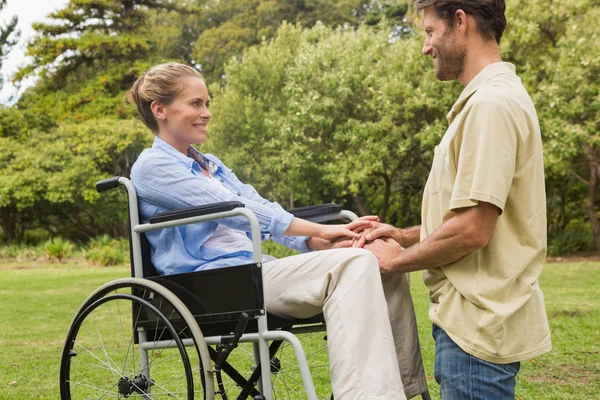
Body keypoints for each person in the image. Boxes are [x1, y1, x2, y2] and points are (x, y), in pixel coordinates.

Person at [125, 62, 427, 400]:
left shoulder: (210, 164)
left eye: (207, 103)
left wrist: (327, 238)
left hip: (253, 272)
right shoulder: (153, 168)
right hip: (207, 283)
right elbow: (240, 212)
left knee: (381, 260)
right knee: (355, 263)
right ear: (160, 109)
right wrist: (323, 233)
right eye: (196, 103)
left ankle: (405, 390)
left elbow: (261, 206)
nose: (206, 112)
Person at [354, 1, 551, 399]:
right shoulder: (490, 99)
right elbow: (471, 217)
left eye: (429, 31)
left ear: (460, 22)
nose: (426, 46)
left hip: (475, 329)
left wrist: (394, 260)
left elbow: (473, 230)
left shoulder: (490, 105)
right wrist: (406, 235)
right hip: (472, 324)